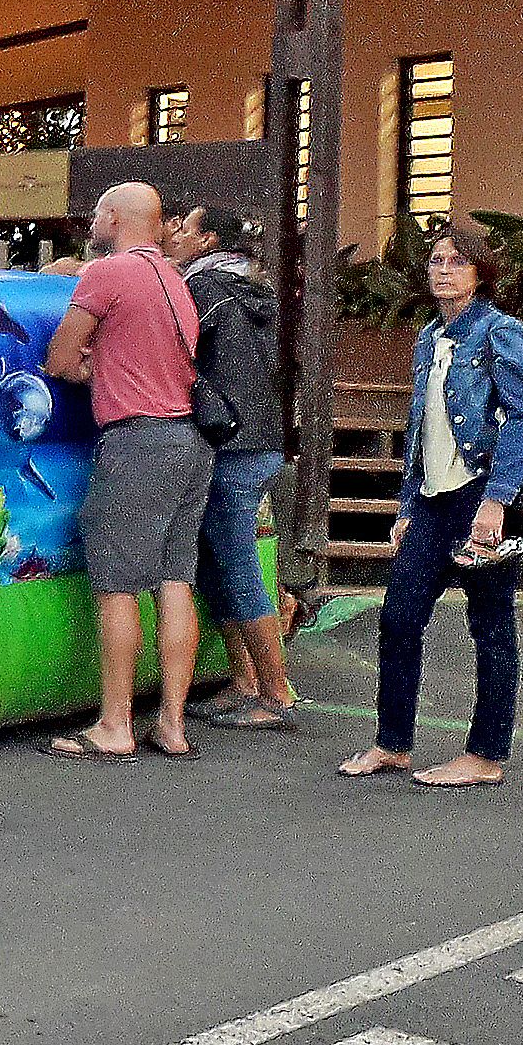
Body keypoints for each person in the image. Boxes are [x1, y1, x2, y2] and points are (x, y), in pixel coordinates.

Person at [344, 224, 523, 789]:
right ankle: (392, 744)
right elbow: (421, 426)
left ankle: (485, 754)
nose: (442, 269)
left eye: (457, 262)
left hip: (479, 496)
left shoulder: (499, 332)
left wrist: (497, 501)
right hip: (432, 502)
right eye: (436, 260)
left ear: (480, 272)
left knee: (489, 625)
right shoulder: (430, 337)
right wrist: (408, 501)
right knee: (400, 617)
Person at [40, 182, 212, 762]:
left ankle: (115, 725)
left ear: (113, 218)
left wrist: (97, 374)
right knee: (174, 581)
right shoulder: (175, 279)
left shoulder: (106, 274)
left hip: (135, 441)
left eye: (96, 212)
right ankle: (172, 723)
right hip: (190, 442)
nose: (92, 220)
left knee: (117, 586)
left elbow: (60, 359)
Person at [166, 203, 296, 730]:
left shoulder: (205, 291)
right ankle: (244, 681)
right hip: (260, 438)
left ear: (208, 239)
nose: (173, 236)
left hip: (230, 441)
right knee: (221, 559)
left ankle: (273, 688)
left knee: (236, 563)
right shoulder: (253, 288)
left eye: (184, 228)